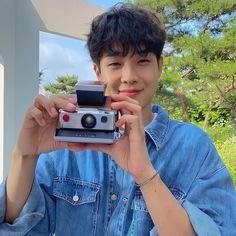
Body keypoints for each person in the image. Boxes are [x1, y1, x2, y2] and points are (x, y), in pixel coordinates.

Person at [0, 3, 236, 236]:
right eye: (115, 63)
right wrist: (25, 155)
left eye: (142, 61)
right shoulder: (67, 143)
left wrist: (145, 174)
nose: (129, 77)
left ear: (159, 66)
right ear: (98, 72)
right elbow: (15, 224)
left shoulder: (193, 148)